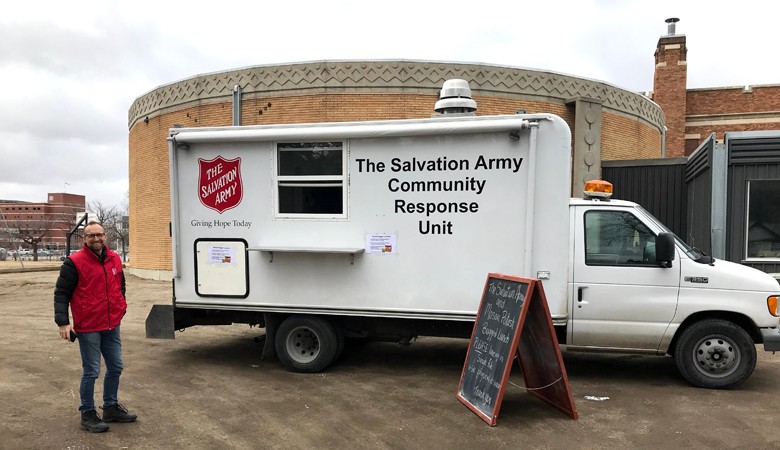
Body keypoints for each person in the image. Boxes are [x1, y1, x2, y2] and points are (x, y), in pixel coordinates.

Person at [54, 221, 137, 433]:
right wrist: (63, 322)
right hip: (88, 325)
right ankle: (87, 414)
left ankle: (110, 407)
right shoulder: (73, 262)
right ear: (84, 239)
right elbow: (62, 293)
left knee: (116, 367)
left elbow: (121, 286)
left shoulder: (115, 259)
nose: (96, 239)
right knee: (91, 371)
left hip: (111, 324)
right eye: (91, 236)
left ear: (105, 236)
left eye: (99, 235)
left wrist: (121, 307)